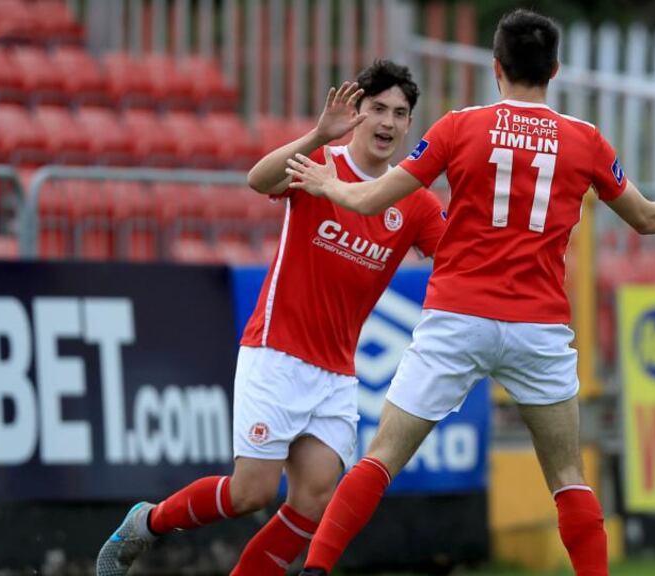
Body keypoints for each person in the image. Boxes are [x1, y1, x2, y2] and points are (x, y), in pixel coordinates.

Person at [284, 9, 655, 576]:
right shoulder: (585, 140)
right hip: (537, 328)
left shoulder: (459, 126)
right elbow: (645, 218)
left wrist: (327, 182)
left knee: (383, 457)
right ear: (555, 70)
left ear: (496, 67)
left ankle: (316, 570)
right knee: (567, 476)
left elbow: (370, 201)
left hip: (458, 316)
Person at [95, 60, 445, 576]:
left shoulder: (411, 201)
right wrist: (316, 134)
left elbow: (459, 257)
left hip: (337, 372)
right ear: (358, 112)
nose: (388, 122)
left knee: (314, 497)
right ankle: (146, 524)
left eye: (400, 113)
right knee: (250, 492)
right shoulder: (319, 163)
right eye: (377, 109)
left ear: (410, 124)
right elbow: (258, 180)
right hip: (276, 352)